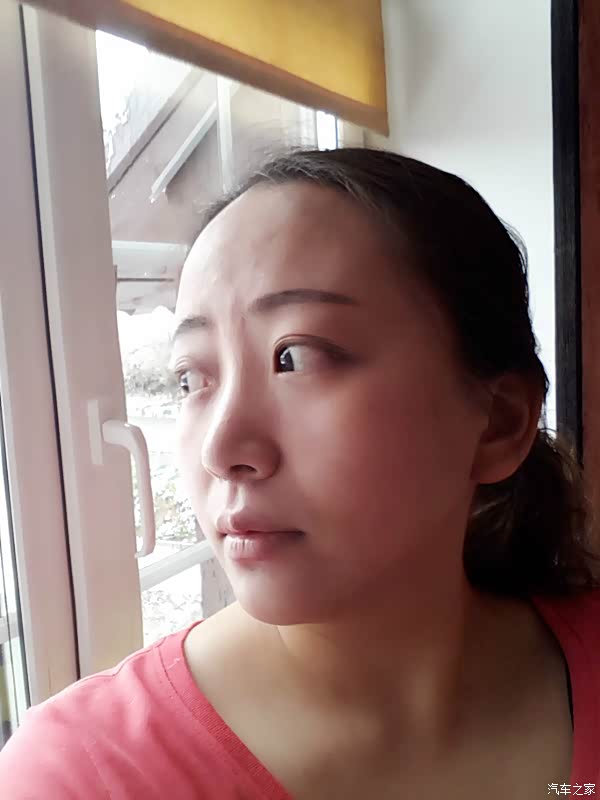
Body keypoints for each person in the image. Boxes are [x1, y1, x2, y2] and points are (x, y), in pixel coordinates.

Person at [1, 147, 599, 799]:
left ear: (497, 423)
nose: (221, 448)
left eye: (296, 357)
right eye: (191, 378)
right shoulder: (80, 776)